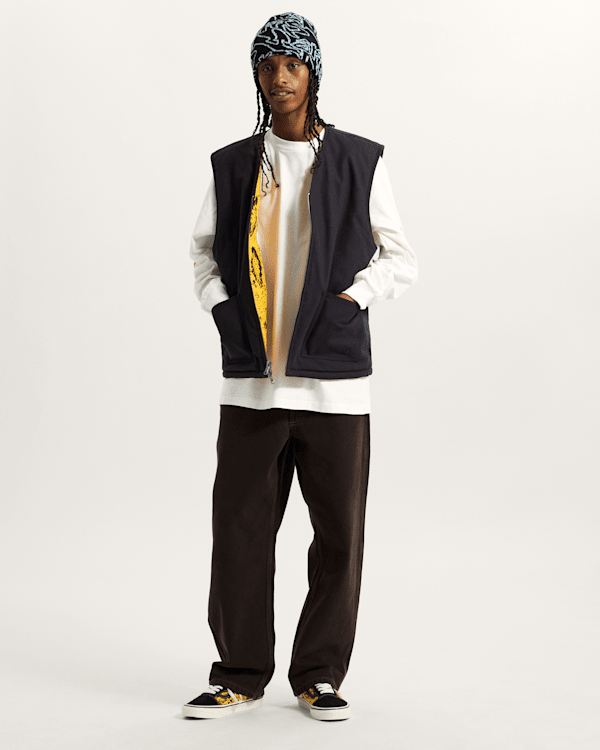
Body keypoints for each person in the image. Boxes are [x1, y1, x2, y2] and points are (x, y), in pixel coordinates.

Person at [182, 12, 418, 722]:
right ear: (256, 75)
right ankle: (239, 673)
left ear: (313, 71)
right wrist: (223, 308)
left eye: (292, 64)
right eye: (268, 65)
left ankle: (318, 676)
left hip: (335, 388)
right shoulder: (232, 165)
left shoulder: (359, 160)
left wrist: (352, 299)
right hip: (251, 385)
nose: (279, 77)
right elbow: (201, 253)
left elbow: (400, 258)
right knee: (239, 534)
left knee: (339, 540)